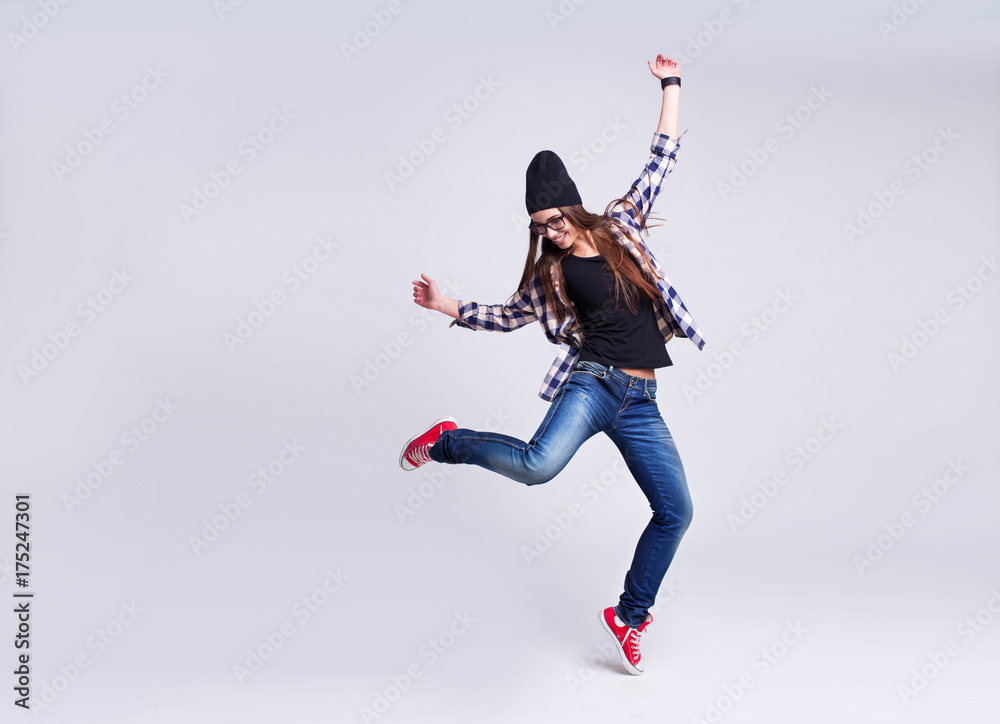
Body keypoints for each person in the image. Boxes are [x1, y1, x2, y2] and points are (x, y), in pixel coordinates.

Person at [399, 55, 705, 676]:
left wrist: (671, 85)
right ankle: (448, 442)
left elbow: (663, 156)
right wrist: (444, 305)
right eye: (540, 227)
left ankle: (628, 616)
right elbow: (508, 314)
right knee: (538, 467)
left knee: (677, 510)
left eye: (557, 221)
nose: (552, 233)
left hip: (641, 402)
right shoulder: (550, 273)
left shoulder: (621, 226)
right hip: (592, 385)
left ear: (575, 208)